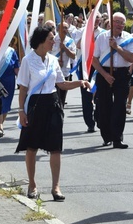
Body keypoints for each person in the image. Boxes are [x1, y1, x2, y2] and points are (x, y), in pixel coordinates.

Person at [15, 26, 90, 200]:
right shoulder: (28, 60)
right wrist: (21, 111)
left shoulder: (53, 60)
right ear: (41, 40)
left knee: (55, 147)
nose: (54, 41)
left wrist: (80, 82)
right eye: (50, 38)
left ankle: (56, 187)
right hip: (35, 106)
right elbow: (23, 89)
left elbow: (61, 84)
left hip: (53, 104)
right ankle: (32, 184)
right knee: (32, 146)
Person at [92, 12, 133, 149]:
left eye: (122, 22)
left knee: (120, 106)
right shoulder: (101, 37)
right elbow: (94, 60)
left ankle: (117, 138)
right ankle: (106, 136)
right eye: (116, 21)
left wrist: (117, 47)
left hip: (122, 74)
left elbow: (131, 58)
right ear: (111, 22)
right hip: (104, 73)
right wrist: (105, 75)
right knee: (104, 106)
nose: (119, 25)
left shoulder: (129, 38)